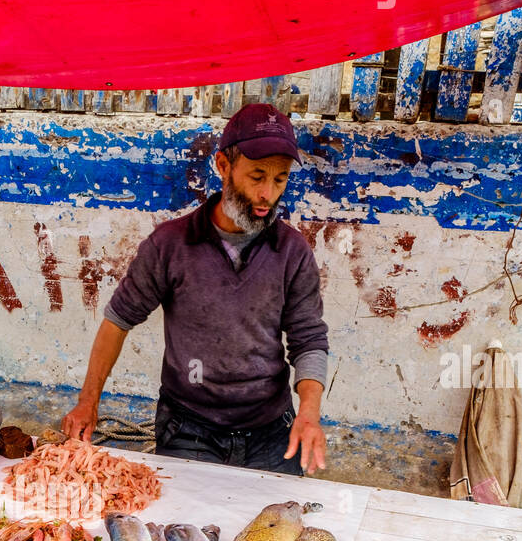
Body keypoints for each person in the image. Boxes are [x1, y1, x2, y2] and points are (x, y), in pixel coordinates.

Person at [61, 103, 329, 475]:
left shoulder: (293, 252)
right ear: (223, 166)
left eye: (280, 179)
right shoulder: (170, 245)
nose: (268, 193)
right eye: (256, 176)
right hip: (189, 429)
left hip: (271, 430)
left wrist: (310, 414)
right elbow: (118, 320)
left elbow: (309, 339)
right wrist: (88, 401)